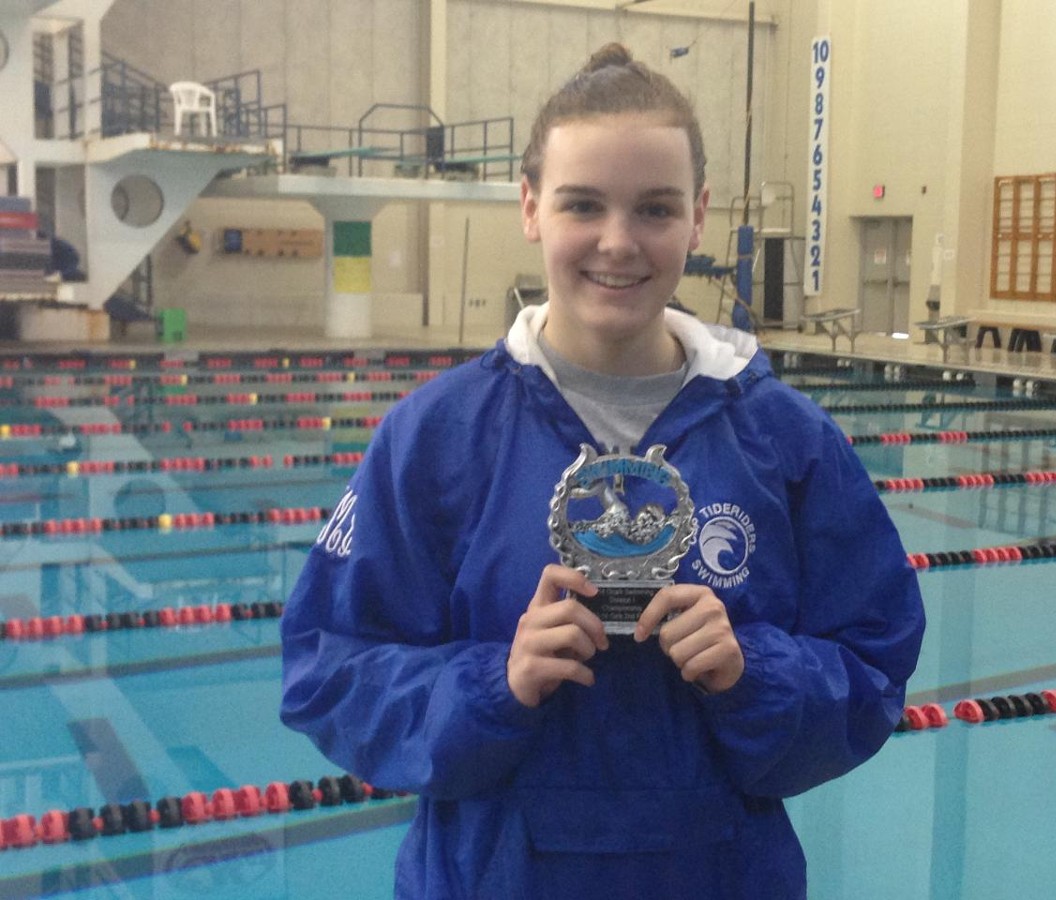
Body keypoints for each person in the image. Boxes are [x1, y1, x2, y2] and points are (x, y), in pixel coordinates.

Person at [280, 43, 924, 899]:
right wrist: (493, 683)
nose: (618, 243)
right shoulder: (434, 437)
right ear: (531, 207)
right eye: (583, 204)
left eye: (654, 209)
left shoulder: (786, 438)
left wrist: (753, 671)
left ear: (698, 218)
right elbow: (327, 670)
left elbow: (875, 664)